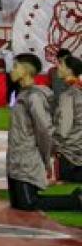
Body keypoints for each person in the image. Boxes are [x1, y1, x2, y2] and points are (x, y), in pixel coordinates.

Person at [6, 53, 82, 212]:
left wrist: (46, 161)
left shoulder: (34, 97)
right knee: (18, 204)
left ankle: (76, 201)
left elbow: (45, 131)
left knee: (28, 204)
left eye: (15, 67)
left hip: (27, 160)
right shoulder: (22, 94)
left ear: (26, 70)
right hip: (15, 160)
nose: (11, 70)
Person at [53, 54, 82, 182]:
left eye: (61, 65)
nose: (58, 67)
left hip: (70, 154)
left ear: (70, 70)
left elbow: (64, 128)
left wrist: (54, 145)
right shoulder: (78, 90)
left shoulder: (68, 94)